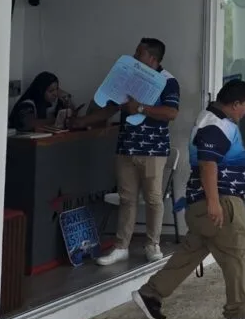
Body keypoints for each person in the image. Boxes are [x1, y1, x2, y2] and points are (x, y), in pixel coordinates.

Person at [132, 78, 245, 319]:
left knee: (190, 253)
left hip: (207, 202)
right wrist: (214, 203)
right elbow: (208, 164)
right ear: (235, 103)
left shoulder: (217, 121)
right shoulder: (214, 124)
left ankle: (151, 294)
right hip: (219, 202)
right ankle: (238, 312)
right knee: (236, 253)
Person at [72, 38, 180, 265]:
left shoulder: (168, 82)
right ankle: (121, 246)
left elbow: (171, 113)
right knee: (127, 198)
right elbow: (111, 109)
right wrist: (81, 121)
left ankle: (153, 244)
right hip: (126, 147)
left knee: (153, 198)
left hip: (153, 150)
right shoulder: (129, 77)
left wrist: (141, 108)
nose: (134, 55)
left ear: (152, 58)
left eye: (139, 52)